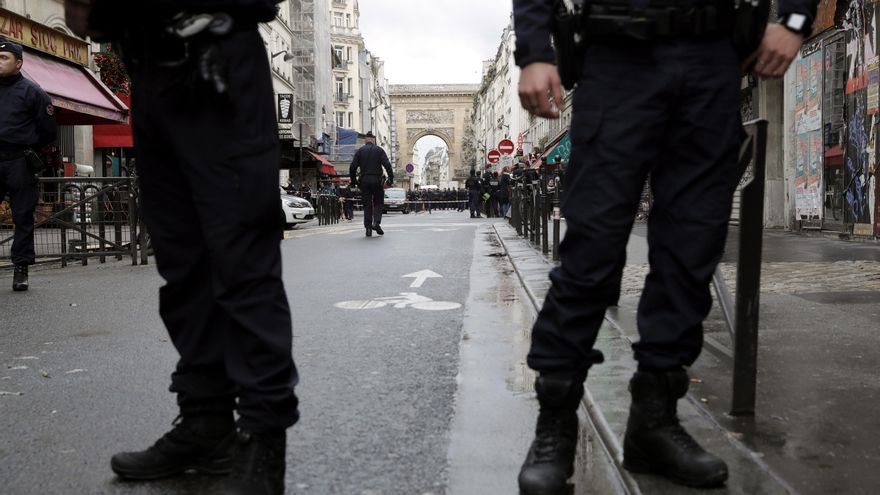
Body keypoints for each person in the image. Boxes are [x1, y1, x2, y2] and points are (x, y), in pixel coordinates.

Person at [512, 1, 816, 493]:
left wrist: (796, 17)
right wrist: (533, 49)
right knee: (591, 252)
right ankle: (555, 425)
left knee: (690, 250)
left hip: (713, 58)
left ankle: (654, 419)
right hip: (617, 56)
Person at [64, 3, 300, 494]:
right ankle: (206, 423)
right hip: (148, 65)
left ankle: (263, 438)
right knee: (183, 264)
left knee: (241, 260)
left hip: (214, 49)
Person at [0, 39, 57, 292]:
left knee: (22, 216)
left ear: (18, 63)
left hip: (19, 161)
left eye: (4, 58)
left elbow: (48, 132)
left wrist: (27, 149)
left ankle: (21, 269)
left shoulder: (33, 92)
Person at [350, 131, 393, 237]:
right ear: (373, 140)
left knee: (367, 205)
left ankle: (368, 228)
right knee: (378, 203)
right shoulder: (379, 150)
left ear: (365, 140)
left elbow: (353, 167)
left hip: (364, 180)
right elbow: (387, 165)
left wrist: (353, 182)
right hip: (377, 180)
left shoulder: (360, 151)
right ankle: (376, 223)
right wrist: (390, 179)